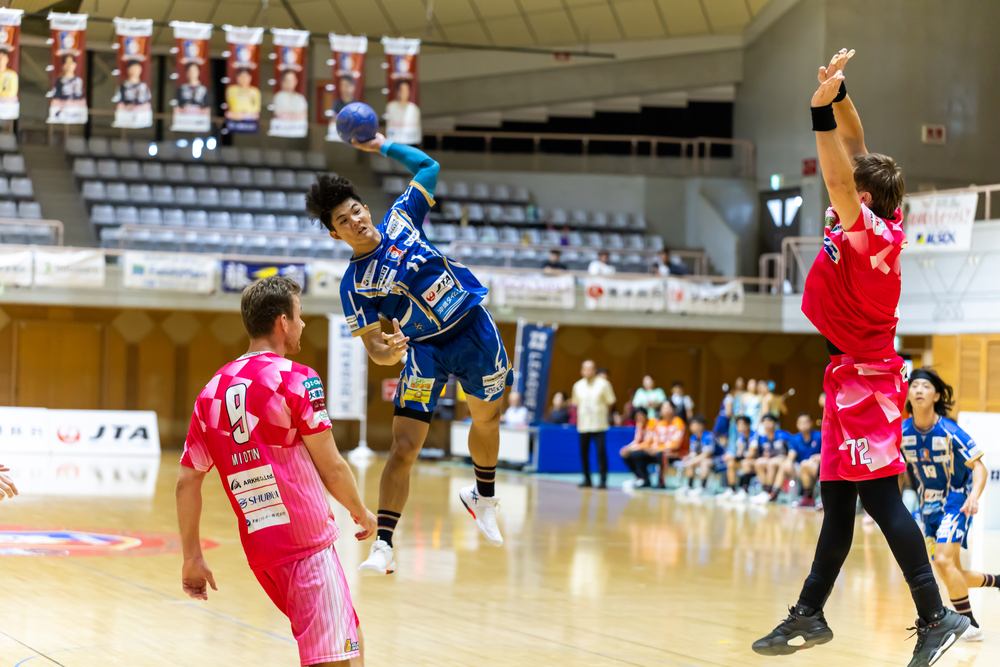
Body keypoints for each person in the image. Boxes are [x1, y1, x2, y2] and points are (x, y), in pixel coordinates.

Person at [753, 49, 968, 663]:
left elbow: (839, 178)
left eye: (853, 188)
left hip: (867, 387)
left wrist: (817, 113)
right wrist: (839, 94)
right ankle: (809, 613)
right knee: (837, 506)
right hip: (844, 379)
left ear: (867, 200)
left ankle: (935, 616)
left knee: (881, 501)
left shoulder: (871, 234)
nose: (844, 183)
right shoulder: (873, 213)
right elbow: (855, 146)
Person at [307, 132, 508, 575]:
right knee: (403, 447)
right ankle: (383, 544)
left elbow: (428, 167)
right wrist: (389, 350)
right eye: (343, 221)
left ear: (366, 208)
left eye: (355, 210)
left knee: (486, 420)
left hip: (473, 330)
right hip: (423, 352)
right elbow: (375, 351)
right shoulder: (354, 285)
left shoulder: (402, 217)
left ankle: (483, 497)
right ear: (336, 234)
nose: (354, 221)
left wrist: (381, 145)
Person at [175, 276, 375, 667]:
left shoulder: (211, 391)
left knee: (349, 636)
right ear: (283, 322)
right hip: (306, 544)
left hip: (262, 550)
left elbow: (187, 481)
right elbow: (333, 467)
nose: (303, 324)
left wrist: (192, 556)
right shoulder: (295, 377)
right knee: (335, 658)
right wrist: (360, 511)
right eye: (299, 316)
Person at [903, 368, 998, 643]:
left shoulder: (949, 430)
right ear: (908, 394)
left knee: (943, 561)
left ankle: (969, 625)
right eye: (914, 385)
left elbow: (979, 467)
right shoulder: (902, 432)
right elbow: (897, 471)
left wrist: (973, 496)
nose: (919, 390)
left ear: (936, 396)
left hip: (955, 502)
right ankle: (997, 581)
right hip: (927, 509)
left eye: (925, 386)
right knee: (949, 571)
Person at [572, 360, 616, 489]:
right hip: (584, 425)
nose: (588, 371)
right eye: (585, 369)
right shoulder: (577, 386)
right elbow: (575, 403)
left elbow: (610, 402)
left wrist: (604, 414)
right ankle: (587, 479)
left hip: (599, 424)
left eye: (590, 369)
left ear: (594, 370)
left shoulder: (604, 384)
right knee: (584, 453)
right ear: (581, 371)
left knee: (601, 453)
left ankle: (603, 480)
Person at [775, 413, 823, 508]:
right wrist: (789, 462)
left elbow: (826, 453)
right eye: (801, 422)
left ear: (811, 423)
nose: (804, 424)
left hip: (816, 467)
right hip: (800, 468)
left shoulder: (819, 436)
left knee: (804, 464)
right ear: (797, 424)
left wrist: (819, 457)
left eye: (806, 422)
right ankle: (773, 493)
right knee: (784, 465)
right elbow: (792, 453)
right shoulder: (795, 438)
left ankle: (808, 497)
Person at [676, 416, 725, 499]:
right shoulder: (693, 437)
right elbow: (693, 453)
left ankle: (703, 487)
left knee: (704, 462)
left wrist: (692, 461)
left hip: (719, 459)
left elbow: (706, 454)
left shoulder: (708, 435)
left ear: (701, 425)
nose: (692, 427)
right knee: (691, 461)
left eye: (695, 424)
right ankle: (689, 486)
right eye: (691, 425)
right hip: (705, 459)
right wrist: (688, 458)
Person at [749, 415, 792, 503]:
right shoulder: (762, 438)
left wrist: (788, 458)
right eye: (765, 422)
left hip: (784, 460)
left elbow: (792, 449)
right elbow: (761, 454)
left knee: (771, 463)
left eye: (769, 421)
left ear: (774, 423)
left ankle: (771, 492)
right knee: (759, 462)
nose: (767, 424)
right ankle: (765, 491)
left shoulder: (784, 435)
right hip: (771, 460)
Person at [650, 401, 686, 488]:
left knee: (662, 454)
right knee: (640, 454)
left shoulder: (678, 422)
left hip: (677, 453)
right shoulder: (659, 424)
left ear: (673, 409)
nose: (665, 410)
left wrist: (659, 449)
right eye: (663, 407)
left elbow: (676, 444)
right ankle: (643, 479)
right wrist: (652, 448)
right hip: (659, 451)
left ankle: (661, 482)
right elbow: (655, 441)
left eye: (667, 407)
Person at [619, 408, 655, 490]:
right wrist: (627, 448)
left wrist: (632, 449)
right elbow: (636, 440)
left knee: (636, 454)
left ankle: (646, 479)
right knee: (625, 454)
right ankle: (639, 477)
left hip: (652, 450)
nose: (639, 419)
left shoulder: (652, 423)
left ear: (646, 416)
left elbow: (647, 443)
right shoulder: (640, 424)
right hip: (643, 450)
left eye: (641, 417)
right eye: (637, 418)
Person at [720, 415, 753, 500]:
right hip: (745, 460)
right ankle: (732, 489)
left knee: (746, 463)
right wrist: (732, 457)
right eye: (738, 425)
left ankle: (745, 491)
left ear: (748, 425)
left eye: (742, 424)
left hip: (754, 461)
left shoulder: (754, 435)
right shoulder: (741, 437)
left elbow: (751, 454)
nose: (739, 427)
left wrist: (736, 457)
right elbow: (739, 453)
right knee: (731, 463)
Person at [384, 79, 421, 144]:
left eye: (407, 90)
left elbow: (417, 128)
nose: (405, 93)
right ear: (398, 92)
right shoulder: (391, 107)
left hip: (410, 142)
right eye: (403, 91)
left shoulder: (414, 108)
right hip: (394, 142)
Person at [727, 378, 746, 444]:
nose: (740, 384)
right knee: (733, 436)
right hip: (733, 419)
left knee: (741, 436)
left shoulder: (745, 394)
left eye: (741, 382)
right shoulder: (733, 393)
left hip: (741, 418)